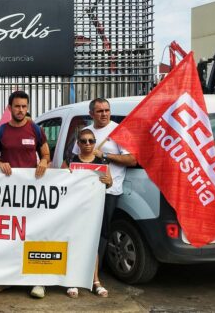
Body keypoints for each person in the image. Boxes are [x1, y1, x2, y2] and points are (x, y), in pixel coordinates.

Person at [0, 91, 50, 298]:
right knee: (10, 236)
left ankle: (38, 281)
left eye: (24, 106)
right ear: (9, 108)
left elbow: (46, 153)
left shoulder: (36, 130)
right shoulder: (1, 131)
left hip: (32, 194)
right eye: (17, 106)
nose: (21, 110)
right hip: (8, 195)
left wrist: (43, 162)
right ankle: (7, 280)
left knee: (34, 235)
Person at [71, 98, 136, 297]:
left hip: (109, 191)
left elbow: (132, 159)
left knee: (101, 235)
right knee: (82, 232)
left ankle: (95, 275)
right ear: (91, 114)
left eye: (107, 110)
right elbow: (75, 161)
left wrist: (105, 156)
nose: (104, 114)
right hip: (85, 195)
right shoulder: (86, 133)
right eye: (99, 111)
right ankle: (82, 274)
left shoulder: (119, 131)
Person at [63, 128, 113, 298]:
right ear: (78, 143)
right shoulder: (70, 160)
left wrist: (108, 181)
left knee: (92, 245)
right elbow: (58, 182)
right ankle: (73, 280)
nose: (87, 144)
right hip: (74, 209)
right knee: (75, 243)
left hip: (94, 210)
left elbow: (109, 182)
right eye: (83, 141)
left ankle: (95, 281)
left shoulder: (102, 161)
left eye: (91, 141)